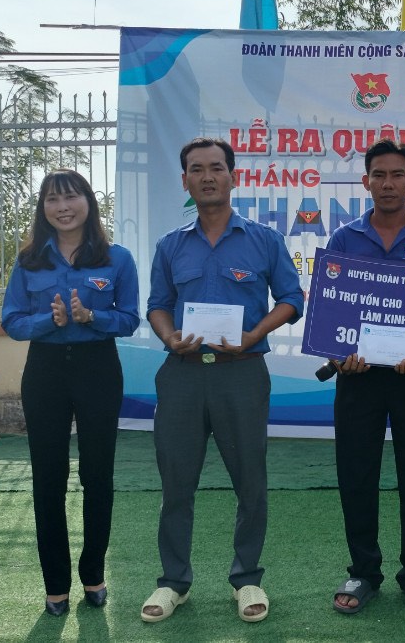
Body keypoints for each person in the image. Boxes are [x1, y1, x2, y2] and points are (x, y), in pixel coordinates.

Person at [140, 137, 304, 625]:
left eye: (216, 168)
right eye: (197, 169)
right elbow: (157, 305)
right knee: (176, 483)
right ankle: (173, 581)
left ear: (233, 176)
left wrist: (254, 334)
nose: (207, 176)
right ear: (185, 180)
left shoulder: (263, 240)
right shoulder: (170, 245)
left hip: (242, 373)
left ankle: (247, 577)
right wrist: (169, 337)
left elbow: (291, 298)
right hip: (183, 376)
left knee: (250, 481)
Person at [1, 169, 140, 617]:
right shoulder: (29, 260)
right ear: (43, 208)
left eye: (71, 197)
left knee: (97, 476)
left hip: (98, 369)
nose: (63, 207)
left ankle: (94, 574)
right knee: (48, 478)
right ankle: (55, 585)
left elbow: (130, 318)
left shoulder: (117, 259)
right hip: (45, 371)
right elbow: (12, 320)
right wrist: (51, 321)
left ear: (88, 202)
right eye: (52, 199)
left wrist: (91, 318)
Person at [325, 139, 405, 615]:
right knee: (356, 474)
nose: (388, 183)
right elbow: (331, 310)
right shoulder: (344, 239)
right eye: (378, 175)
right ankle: (363, 571)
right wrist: (340, 355)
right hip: (357, 378)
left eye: (397, 174)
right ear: (366, 182)